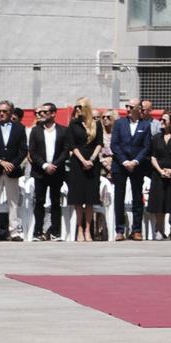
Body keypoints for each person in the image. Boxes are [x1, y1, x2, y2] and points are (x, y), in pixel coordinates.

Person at [110, 100, 159, 241]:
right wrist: (124, 161)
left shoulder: (145, 125)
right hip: (120, 165)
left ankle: (136, 230)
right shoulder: (119, 123)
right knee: (119, 197)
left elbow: (146, 146)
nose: (128, 109)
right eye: (127, 107)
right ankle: (119, 230)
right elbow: (115, 144)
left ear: (139, 109)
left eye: (131, 107)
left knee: (137, 196)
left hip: (137, 166)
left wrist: (136, 161)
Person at [0, 101, 28, 242]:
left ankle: (14, 231)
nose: (1, 114)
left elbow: (23, 150)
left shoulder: (19, 128)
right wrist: (0, 162)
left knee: (13, 201)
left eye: (5, 111)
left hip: (12, 171)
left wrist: (12, 165)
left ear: (11, 112)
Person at [21, 103, 63, 242]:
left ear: (53, 113)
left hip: (56, 172)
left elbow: (65, 150)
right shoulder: (36, 131)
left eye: (45, 112)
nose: (42, 115)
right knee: (39, 201)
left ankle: (55, 232)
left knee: (56, 201)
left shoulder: (63, 130)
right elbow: (32, 152)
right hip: (40, 171)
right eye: (40, 113)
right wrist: (45, 165)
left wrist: (54, 165)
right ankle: (38, 231)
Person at [64, 100, 103, 242]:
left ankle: (88, 229)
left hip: (93, 163)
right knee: (79, 199)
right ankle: (79, 229)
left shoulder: (96, 124)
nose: (77, 109)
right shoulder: (73, 124)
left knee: (90, 199)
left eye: (80, 107)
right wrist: (83, 160)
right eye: (76, 107)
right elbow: (72, 145)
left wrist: (91, 159)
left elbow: (99, 143)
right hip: (78, 162)